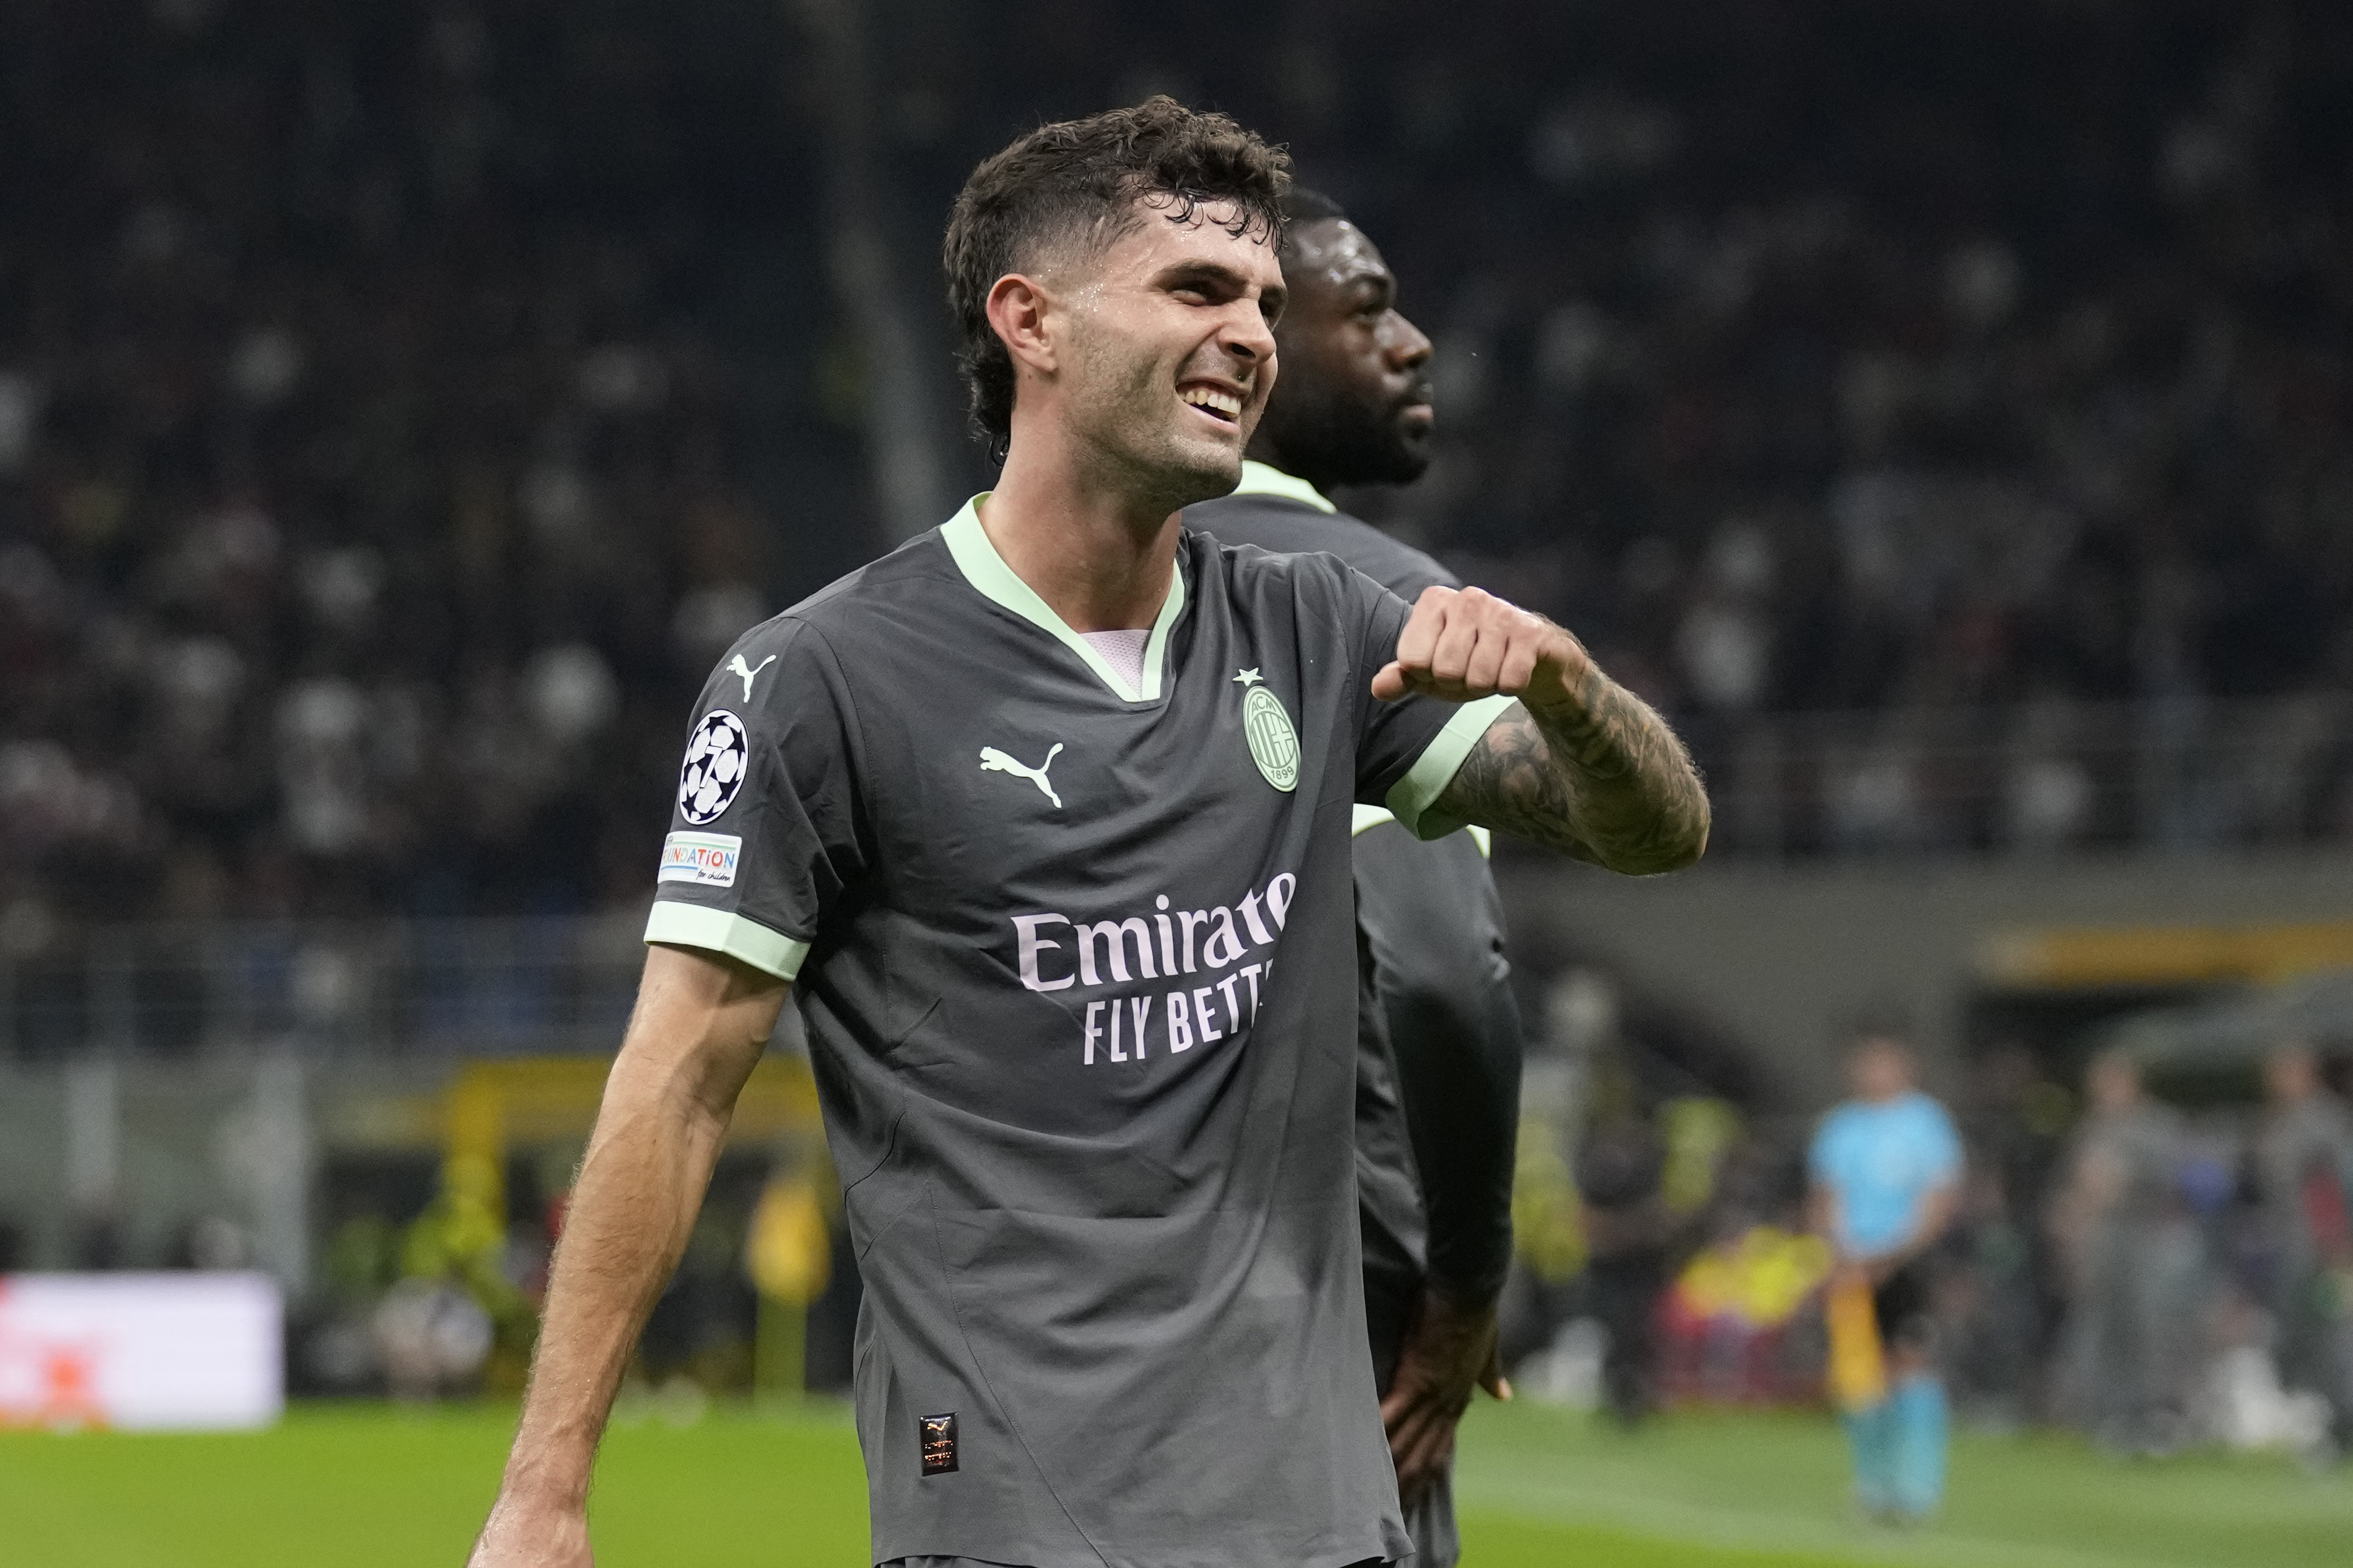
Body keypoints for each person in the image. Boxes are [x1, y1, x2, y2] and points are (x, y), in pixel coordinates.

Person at [467, 98, 1709, 1568]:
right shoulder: (819, 681)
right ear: (1030, 320)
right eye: (1195, 288)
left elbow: (1652, 830)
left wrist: (1570, 691)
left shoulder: (1318, 627)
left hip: (1322, 1519)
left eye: (1259, 298)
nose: (1250, 332)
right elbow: (674, 1085)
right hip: (1014, 1518)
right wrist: (546, 1485)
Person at [1186, 188, 1524, 1567]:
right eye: (1369, 306)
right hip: (1337, 1291)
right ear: (1255, 355)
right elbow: (1444, 971)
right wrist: (1464, 1285)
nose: (1415, 342)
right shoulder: (1365, 603)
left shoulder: (1053, 599)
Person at [1807, 1031, 1962, 1522]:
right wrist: (1838, 1252)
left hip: (1905, 1263)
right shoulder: (1841, 1127)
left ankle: (1918, 1489)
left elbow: (1937, 1199)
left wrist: (1893, 1252)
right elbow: (1825, 1195)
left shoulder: (1925, 1123)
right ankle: (1872, 1484)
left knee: (1912, 1364)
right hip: (1852, 1263)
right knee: (1859, 1375)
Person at [2047, 1048, 2199, 1452]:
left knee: (2148, 1326)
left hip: (2146, 1236)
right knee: (2104, 1326)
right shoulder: (2092, 1128)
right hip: (2102, 1239)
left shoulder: (2157, 1125)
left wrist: (2126, 1182)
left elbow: (2183, 1181)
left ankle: (2158, 1415)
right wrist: (2069, 1218)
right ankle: (2113, 1414)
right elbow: (2075, 1185)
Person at [2252, 1042, 2353, 1444]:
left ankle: (2343, 1420)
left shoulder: (2322, 1119)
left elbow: (2330, 1185)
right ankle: (2321, 1418)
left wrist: (2336, 1245)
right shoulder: (2280, 1121)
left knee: (2332, 1330)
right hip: (2290, 1245)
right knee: (2297, 1333)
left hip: (2323, 1246)